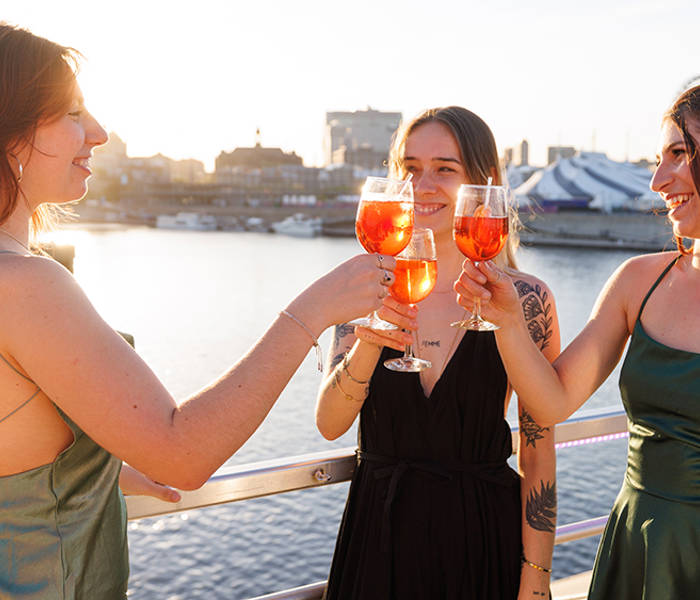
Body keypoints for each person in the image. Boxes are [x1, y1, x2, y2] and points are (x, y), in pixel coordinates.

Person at [0, 23, 399, 599]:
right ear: (11, 137)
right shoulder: (27, 284)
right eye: (70, 113)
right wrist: (309, 313)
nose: (99, 132)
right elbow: (183, 455)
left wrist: (90, 473)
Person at [455, 84, 700, 599]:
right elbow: (553, 401)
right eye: (659, 159)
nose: (657, 180)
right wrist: (507, 322)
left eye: (679, 154)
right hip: (641, 549)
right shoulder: (638, 281)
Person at [316, 106, 560, 599]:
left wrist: (535, 577)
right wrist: (371, 338)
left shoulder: (526, 301)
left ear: (483, 182)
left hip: (479, 540)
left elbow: (538, 453)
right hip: (378, 539)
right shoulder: (365, 287)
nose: (423, 185)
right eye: (410, 169)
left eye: (445, 169)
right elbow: (329, 423)